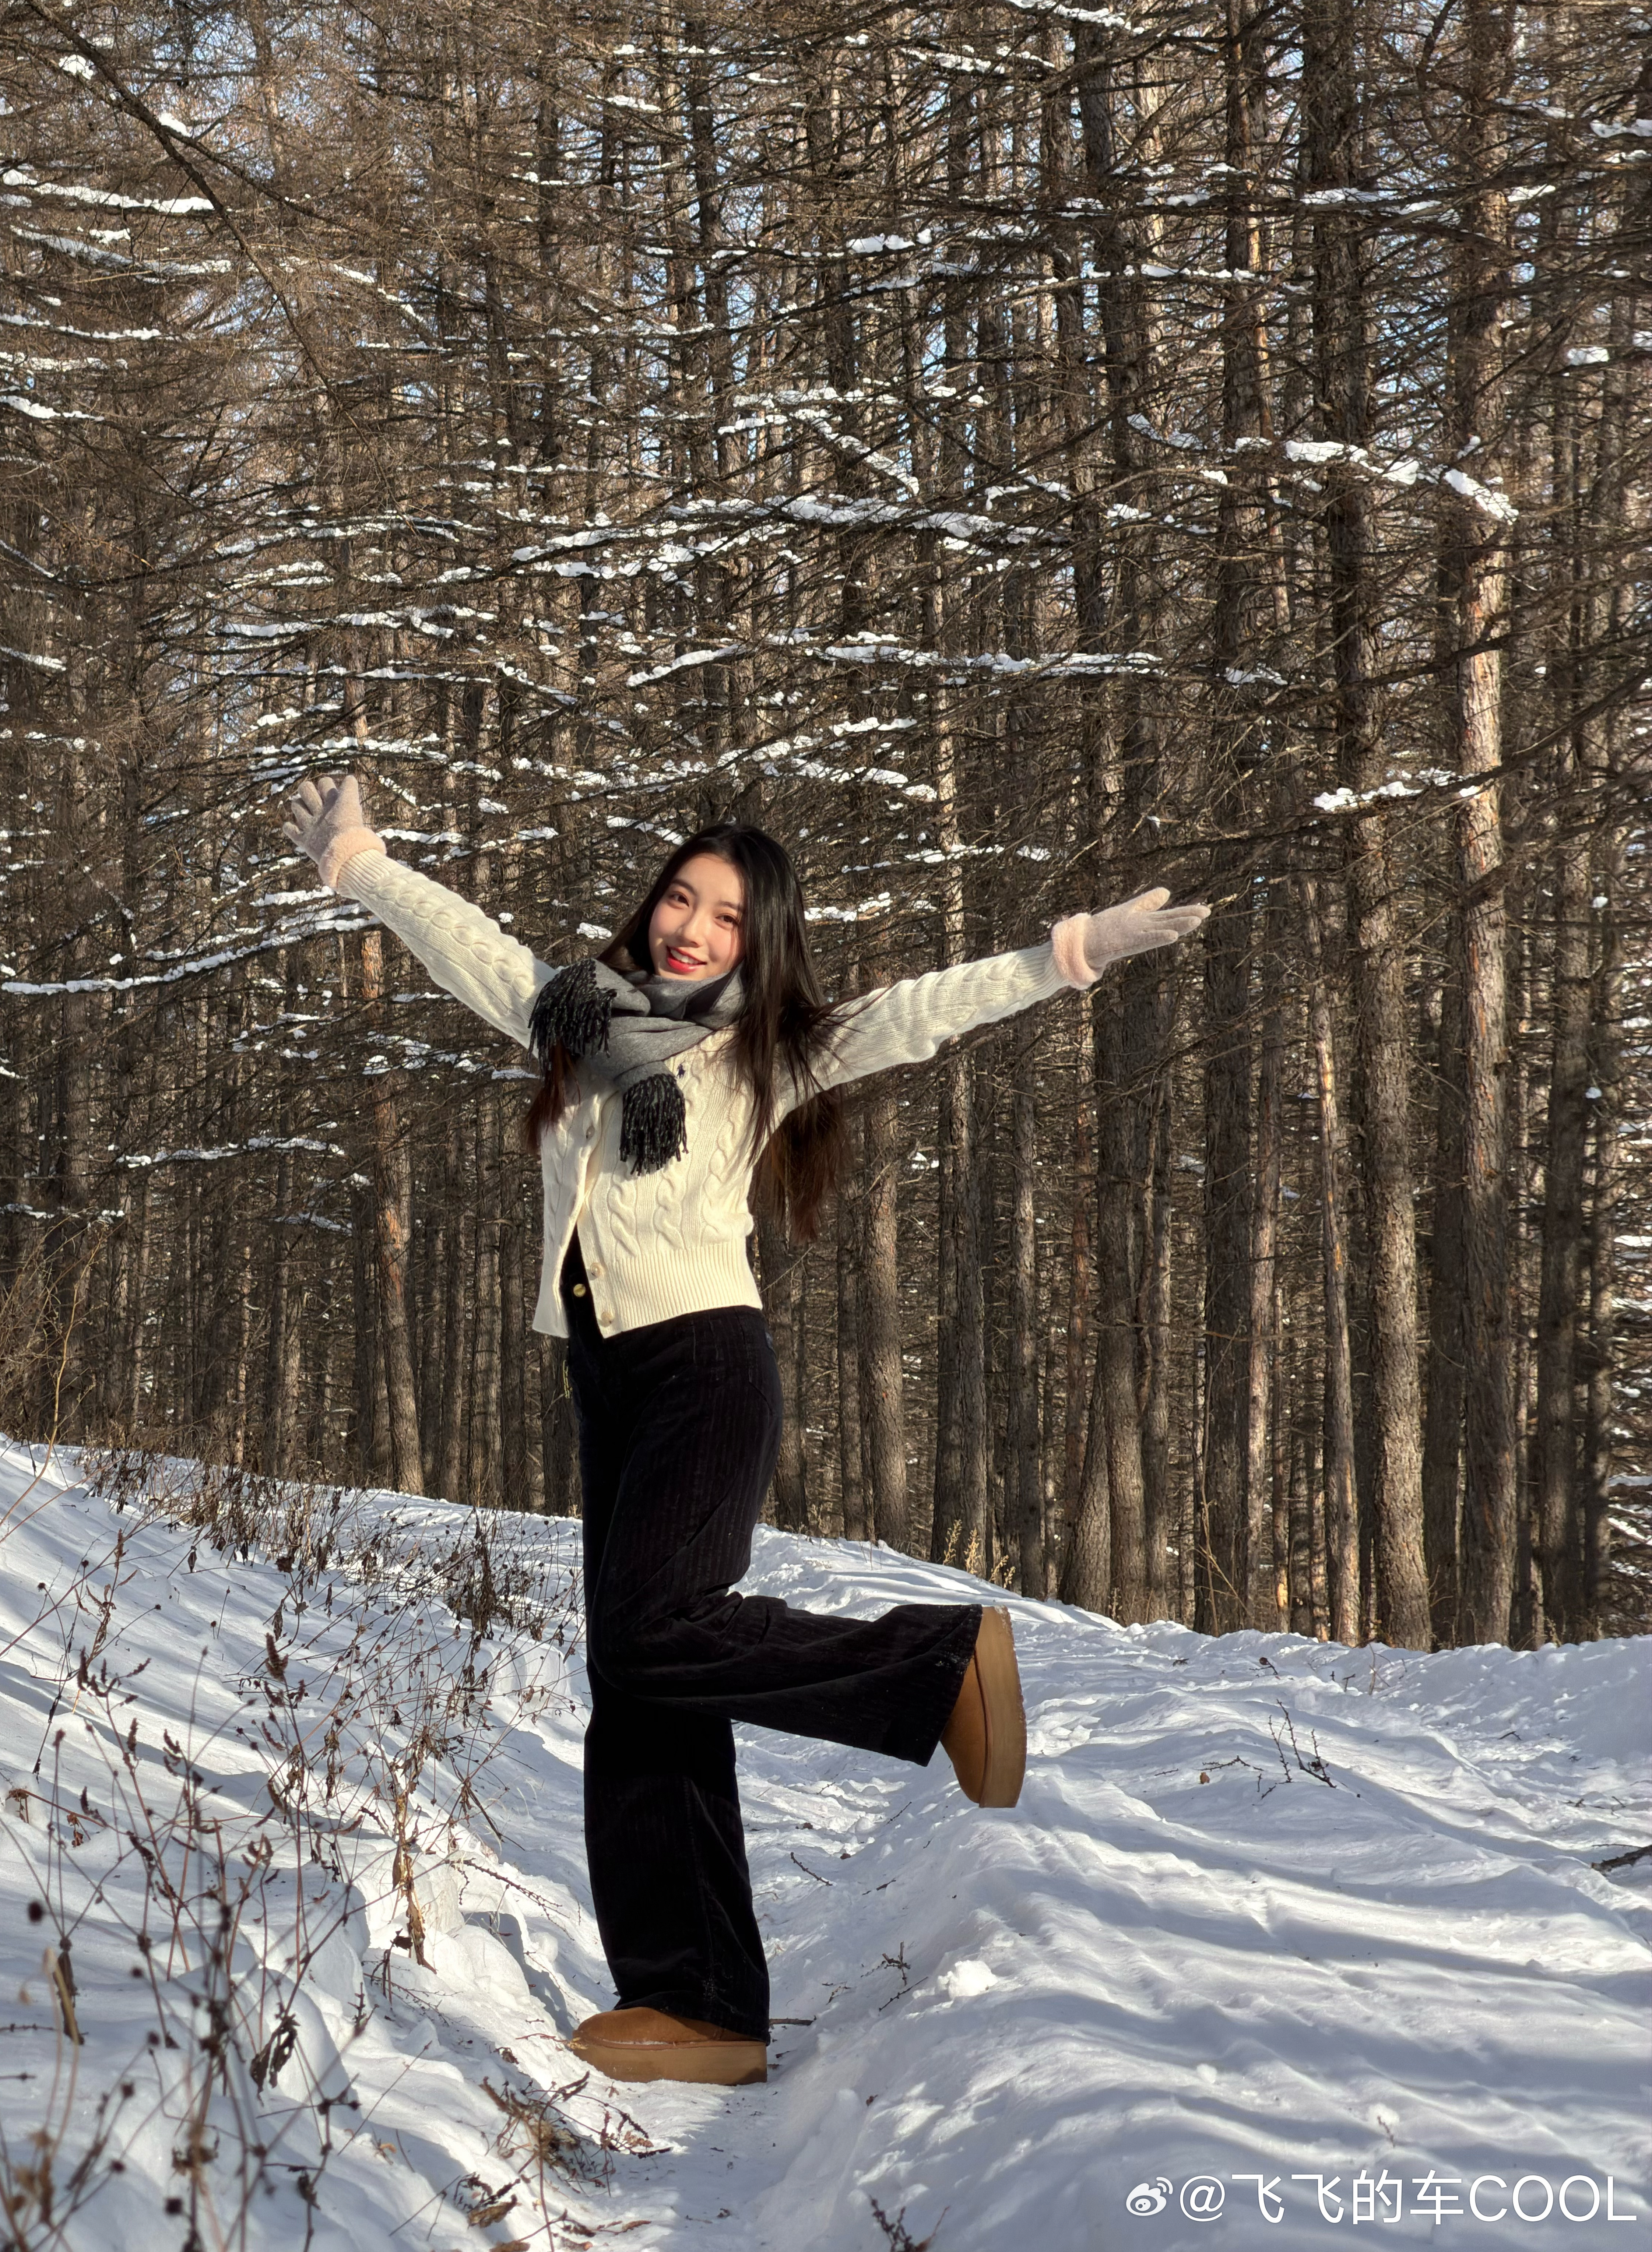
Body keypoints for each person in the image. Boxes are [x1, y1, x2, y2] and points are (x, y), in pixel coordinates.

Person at [282, 772, 1208, 2089]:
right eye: (682, 896)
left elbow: (914, 1016)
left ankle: (936, 1670)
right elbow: (472, 946)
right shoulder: (573, 1018)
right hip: (608, 1376)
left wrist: (1070, 954)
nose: (695, 928)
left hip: (706, 1367)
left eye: (727, 915)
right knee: (644, 1684)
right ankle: (699, 2002)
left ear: (759, 943)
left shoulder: (765, 1050)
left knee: (660, 1633)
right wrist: (362, 863)